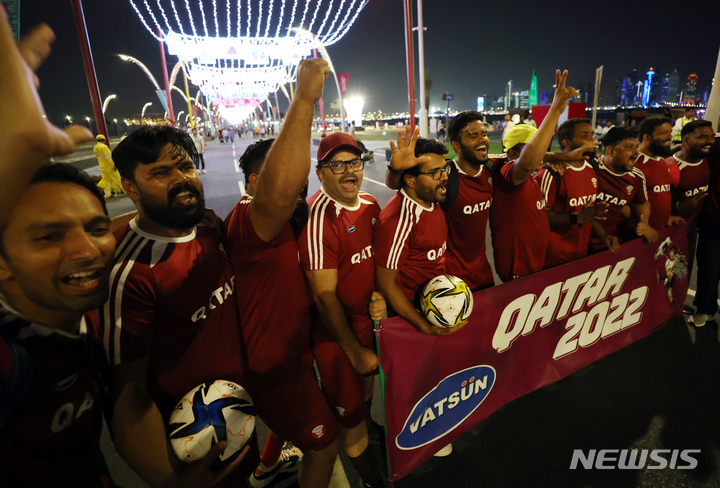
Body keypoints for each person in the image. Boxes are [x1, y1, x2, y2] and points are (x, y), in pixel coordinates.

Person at [104, 126, 258, 487]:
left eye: (186, 167)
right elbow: (128, 392)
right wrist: (172, 481)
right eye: (160, 172)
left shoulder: (208, 225)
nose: (181, 179)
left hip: (235, 409)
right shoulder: (132, 273)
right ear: (130, 187)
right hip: (193, 431)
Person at [225, 59, 343, 488]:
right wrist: (304, 100)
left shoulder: (292, 221)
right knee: (325, 444)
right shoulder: (249, 220)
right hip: (276, 366)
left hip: (292, 354)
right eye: (287, 181)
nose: (299, 189)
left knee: (290, 421)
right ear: (255, 182)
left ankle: (267, 466)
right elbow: (279, 192)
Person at [298, 132, 385, 488]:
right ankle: (370, 478)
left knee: (366, 397)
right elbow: (324, 296)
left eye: (354, 162)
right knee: (350, 418)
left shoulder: (369, 205)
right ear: (320, 173)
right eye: (337, 165)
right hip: (338, 338)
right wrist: (354, 351)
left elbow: (378, 262)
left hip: (368, 325)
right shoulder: (319, 219)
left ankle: (366, 424)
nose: (349, 171)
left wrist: (380, 295)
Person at [374, 134, 455, 457]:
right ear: (410, 179)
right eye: (434, 172)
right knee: (410, 384)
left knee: (433, 375)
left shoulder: (432, 201)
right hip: (408, 318)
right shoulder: (399, 219)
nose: (444, 176)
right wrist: (419, 322)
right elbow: (386, 282)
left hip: (430, 310)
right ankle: (415, 439)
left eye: (444, 169)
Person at [489, 70, 578, 282]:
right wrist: (555, 111)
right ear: (512, 153)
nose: (539, 154)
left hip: (535, 261)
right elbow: (527, 161)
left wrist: (558, 157)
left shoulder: (529, 173)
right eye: (531, 148)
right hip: (518, 265)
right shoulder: (509, 173)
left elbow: (532, 159)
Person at [536, 118, 608, 268]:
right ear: (567, 143)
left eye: (592, 134)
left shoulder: (593, 168)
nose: (592, 139)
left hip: (581, 254)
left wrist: (604, 235)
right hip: (553, 258)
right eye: (585, 136)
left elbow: (588, 213)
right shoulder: (551, 172)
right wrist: (576, 218)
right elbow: (540, 215)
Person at [590, 127, 655, 253]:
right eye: (629, 148)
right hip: (581, 242)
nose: (636, 153)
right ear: (611, 151)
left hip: (609, 242)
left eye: (636, 147)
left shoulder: (637, 177)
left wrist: (644, 222)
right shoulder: (590, 168)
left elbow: (641, 203)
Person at [633, 116, 682, 234]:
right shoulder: (633, 163)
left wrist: (667, 217)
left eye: (670, 132)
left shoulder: (662, 162)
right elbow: (625, 203)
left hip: (657, 233)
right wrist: (644, 227)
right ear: (647, 137)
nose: (670, 136)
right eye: (665, 133)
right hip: (636, 236)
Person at [692, 131, 720, 326]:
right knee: (709, 268)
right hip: (714, 220)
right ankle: (705, 308)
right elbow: (688, 153)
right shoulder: (715, 143)